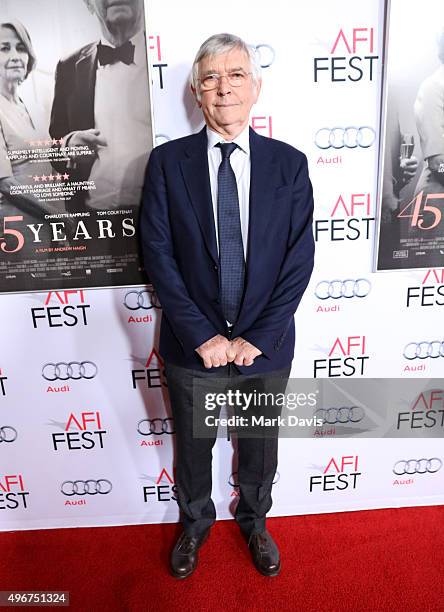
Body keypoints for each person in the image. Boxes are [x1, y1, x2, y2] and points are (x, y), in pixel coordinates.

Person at [141, 33, 314, 579]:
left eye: (236, 74)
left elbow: (299, 257)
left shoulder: (289, 164)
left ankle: (255, 522)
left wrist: (258, 336)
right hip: (195, 348)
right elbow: (158, 253)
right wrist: (203, 336)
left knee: (260, 446)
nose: (224, 87)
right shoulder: (168, 163)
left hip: (266, 345)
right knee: (194, 446)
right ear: (196, 89)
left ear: (255, 87)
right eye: (211, 77)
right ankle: (194, 525)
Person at [49, 0, 152, 211]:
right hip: (93, 220)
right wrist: (68, 146)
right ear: (88, 3)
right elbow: (54, 147)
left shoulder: (169, 55)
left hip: (159, 217)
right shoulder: (68, 66)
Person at [0, 20, 59, 221]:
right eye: (4, 49)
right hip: (19, 228)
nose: (16, 57)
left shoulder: (33, 106)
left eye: (21, 48)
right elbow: (5, 183)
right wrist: (58, 217)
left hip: (52, 225)